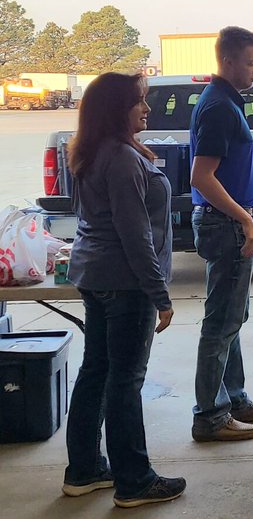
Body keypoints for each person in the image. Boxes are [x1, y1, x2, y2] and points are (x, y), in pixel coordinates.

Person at [63, 72, 186, 508]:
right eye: (139, 102)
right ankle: (134, 481)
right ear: (117, 109)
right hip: (124, 282)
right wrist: (160, 295)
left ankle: (84, 470)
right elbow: (135, 236)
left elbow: (88, 219)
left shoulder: (90, 151)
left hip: (95, 276)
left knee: (96, 371)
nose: (147, 109)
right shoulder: (121, 158)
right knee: (125, 380)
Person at [189, 26, 253, 443]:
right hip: (225, 225)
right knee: (221, 323)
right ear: (227, 61)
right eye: (250, 62)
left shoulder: (225, 102)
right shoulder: (219, 108)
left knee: (232, 317)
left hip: (228, 222)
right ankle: (210, 415)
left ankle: (234, 399)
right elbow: (201, 176)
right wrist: (245, 219)